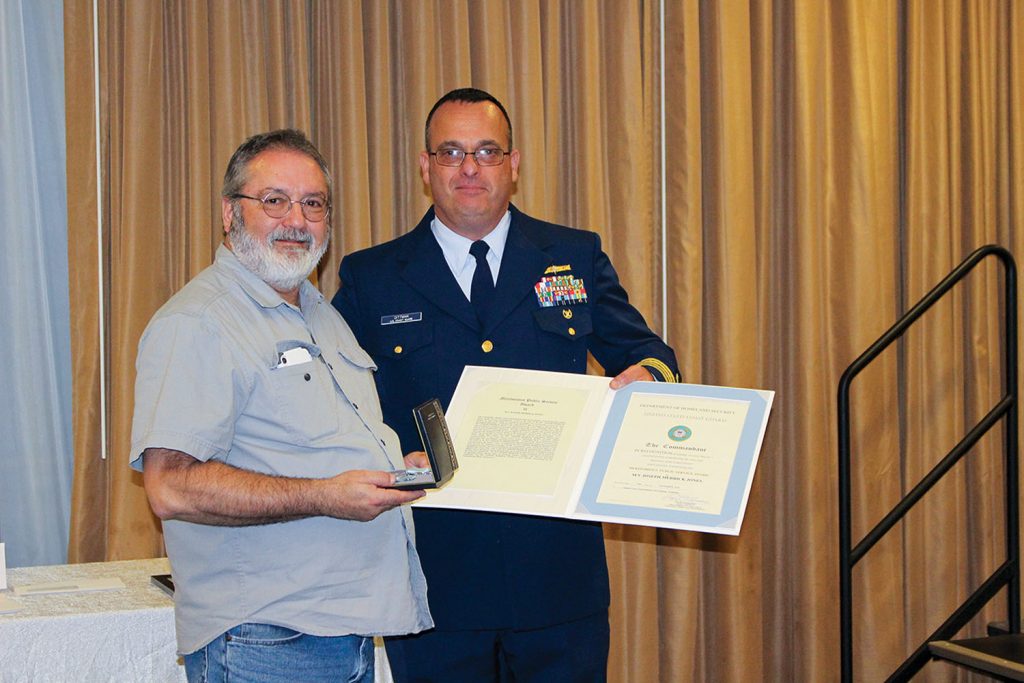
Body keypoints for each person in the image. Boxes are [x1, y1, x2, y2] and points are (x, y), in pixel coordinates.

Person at [332, 89, 679, 682]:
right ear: (426, 167)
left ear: (513, 165)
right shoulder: (373, 276)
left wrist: (648, 378)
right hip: (436, 574)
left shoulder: (571, 256)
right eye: (452, 152)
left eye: (487, 151)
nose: (470, 168)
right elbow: (338, 403)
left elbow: (653, 355)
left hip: (557, 579)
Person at [130, 129, 433, 683]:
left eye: (313, 204)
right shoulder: (199, 323)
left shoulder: (319, 312)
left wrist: (392, 471)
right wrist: (326, 497)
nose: (297, 220)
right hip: (264, 641)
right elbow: (170, 486)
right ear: (229, 213)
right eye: (274, 201)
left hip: (339, 628)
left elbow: (315, 446)